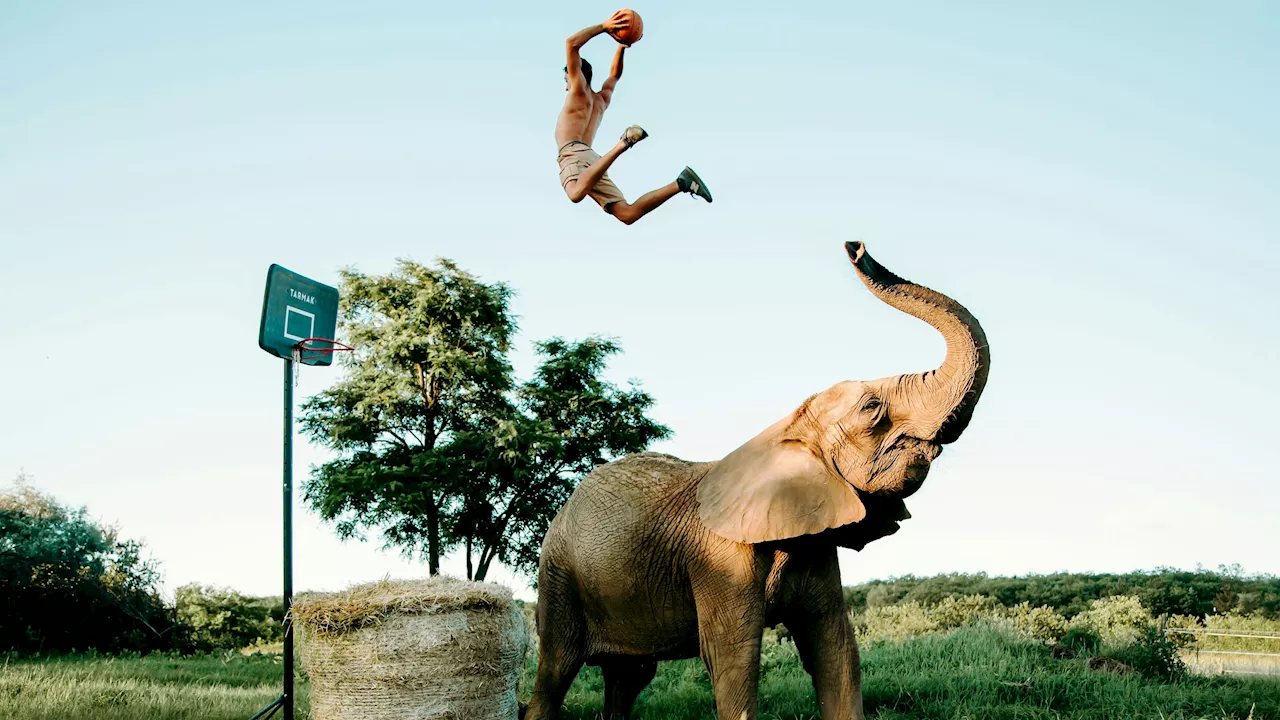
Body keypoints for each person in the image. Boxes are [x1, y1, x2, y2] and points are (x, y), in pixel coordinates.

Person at [557, 12, 713, 224]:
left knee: (575, 194)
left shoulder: (577, 90)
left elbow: (571, 44)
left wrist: (604, 26)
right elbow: (614, 75)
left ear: (577, 75)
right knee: (627, 214)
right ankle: (682, 183)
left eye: (567, 79)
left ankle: (623, 143)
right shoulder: (601, 99)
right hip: (591, 161)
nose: (566, 85)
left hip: (573, 156)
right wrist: (622, 45)